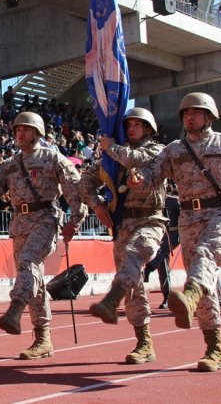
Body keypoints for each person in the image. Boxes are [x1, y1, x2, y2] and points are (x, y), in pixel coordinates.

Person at [128, 92, 221, 372]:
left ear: (209, 116)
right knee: (203, 281)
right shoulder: (174, 150)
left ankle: (189, 298)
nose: (189, 117)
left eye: (196, 112)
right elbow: (152, 175)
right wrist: (138, 179)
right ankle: (214, 348)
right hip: (189, 218)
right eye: (185, 114)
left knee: (206, 255)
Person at [0, 112, 86, 360]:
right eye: (18, 129)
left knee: (29, 262)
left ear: (37, 133)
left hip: (45, 219)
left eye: (26, 129)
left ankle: (15, 309)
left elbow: (74, 189)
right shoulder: (10, 164)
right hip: (19, 223)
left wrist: (75, 220)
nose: (20, 133)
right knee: (33, 277)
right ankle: (43, 339)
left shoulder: (53, 159)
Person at [80, 108, 166, 365]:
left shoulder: (156, 150)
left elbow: (136, 159)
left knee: (133, 257)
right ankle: (144, 341)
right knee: (133, 283)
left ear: (148, 129)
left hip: (151, 220)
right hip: (123, 223)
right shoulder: (113, 157)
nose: (131, 129)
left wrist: (110, 147)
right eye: (128, 125)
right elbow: (86, 180)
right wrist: (96, 205)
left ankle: (111, 299)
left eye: (137, 125)